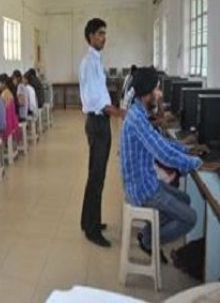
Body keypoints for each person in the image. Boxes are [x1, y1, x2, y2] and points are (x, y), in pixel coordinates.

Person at [119, 67, 217, 258]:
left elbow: (161, 142)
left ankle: (147, 234)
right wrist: (197, 163)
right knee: (190, 217)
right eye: (157, 89)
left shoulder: (138, 113)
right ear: (147, 93)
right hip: (142, 190)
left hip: (145, 182)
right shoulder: (137, 119)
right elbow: (163, 154)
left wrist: (188, 150)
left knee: (186, 200)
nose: (160, 93)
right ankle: (148, 240)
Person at [79, 18, 123, 247]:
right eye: (99, 34)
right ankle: (92, 229)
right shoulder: (89, 62)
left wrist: (115, 112)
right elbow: (98, 99)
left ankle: (88, 221)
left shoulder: (95, 61)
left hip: (99, 122)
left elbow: (101, 94)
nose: (103, 37)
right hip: (97, 123)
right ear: (90, 36)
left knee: (96, 176)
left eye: (104, 33)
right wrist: (121, 113)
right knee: (97, 177)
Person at [0, 73, 19, 142]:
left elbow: (2, 111)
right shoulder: (9, 92)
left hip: (7, 124)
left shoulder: (4, 94)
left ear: (4, 83)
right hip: (12, 121)